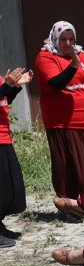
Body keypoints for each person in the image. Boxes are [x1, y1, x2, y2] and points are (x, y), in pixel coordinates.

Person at [35, 21, 84, 223]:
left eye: (71, 39)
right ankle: (69, 207)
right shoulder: (46, 56)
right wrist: (73, 65)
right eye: (63, 39)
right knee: (69, 167)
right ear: (55, 38)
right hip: (61, 121)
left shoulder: (81, 54)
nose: (68, 43)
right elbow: (56, 83)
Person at [0, 67, 33, 247]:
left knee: (9, 187)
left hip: (4, 136)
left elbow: (3, 100)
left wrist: (13, 88)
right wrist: (7, 86)